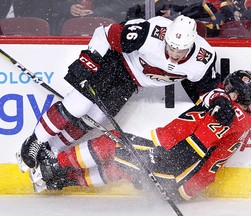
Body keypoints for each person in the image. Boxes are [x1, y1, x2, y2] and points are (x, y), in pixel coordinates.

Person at [18, 15, 224, 173]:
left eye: (181, 50)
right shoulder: (150, 33)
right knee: (78, 105)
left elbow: (207, 89)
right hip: (115, 63)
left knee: (95, 119)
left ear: (192, 44)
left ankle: (51, 148)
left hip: (131, 82)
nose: (174, 53)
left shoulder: (202, 59)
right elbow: (106, 33)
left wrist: (220, 101)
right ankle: (35, 140)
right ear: (167, 37)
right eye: (171, 46)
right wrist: (89, 59)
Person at [30, 70, 251, 202]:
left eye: (231, 91)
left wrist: (161, 163)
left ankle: (53, 168)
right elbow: (215, 95)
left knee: (111, 144)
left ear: (240, 98)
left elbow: (196, 150)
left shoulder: (227, 116)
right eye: (228, 86)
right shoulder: (234, 109)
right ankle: (63, 180)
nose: (226, 91)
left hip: (177, 172)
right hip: (185, 179)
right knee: (122, 167)